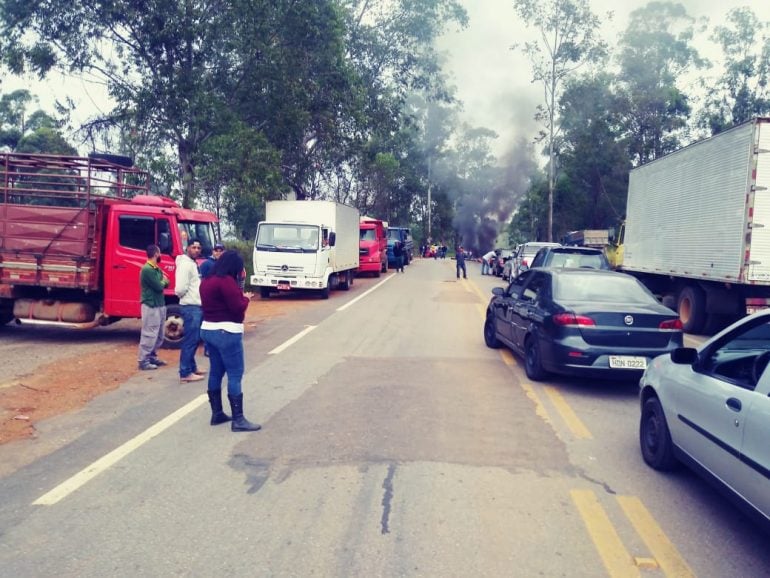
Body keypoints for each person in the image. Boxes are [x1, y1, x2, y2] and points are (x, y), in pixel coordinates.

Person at [200, 250, 261, 432]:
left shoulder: (207, 281)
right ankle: (238, 419)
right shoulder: (226, 282)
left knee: (216, 372)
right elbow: (236, 309)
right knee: (235, 374)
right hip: (227, 331)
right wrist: (245, 299)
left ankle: (217, 413)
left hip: (208, 329)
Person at [175, 239, 205, 383]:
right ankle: (185, 372)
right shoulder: (185, 265)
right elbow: (180, 288)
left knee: (194, 339)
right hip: (190, 306)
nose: (197, 250)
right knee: (190, 340)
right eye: (193, 247)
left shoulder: (192, 264)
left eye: (199, 248)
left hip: (195, 305)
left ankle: (192, 368)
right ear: (187, 249)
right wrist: (186, 297)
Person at [138, 245, 169, 370]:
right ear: (156, 254)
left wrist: (164, 282)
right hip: (151, 304)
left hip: (159, 304)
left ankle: (152, 356)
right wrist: (164, 281)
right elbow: (160, 285)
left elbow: (166, 282)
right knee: (149, 334)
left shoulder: (156, 269)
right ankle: (143, 360)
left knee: (160, 334)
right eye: (160, 253)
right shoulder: (148, 269)